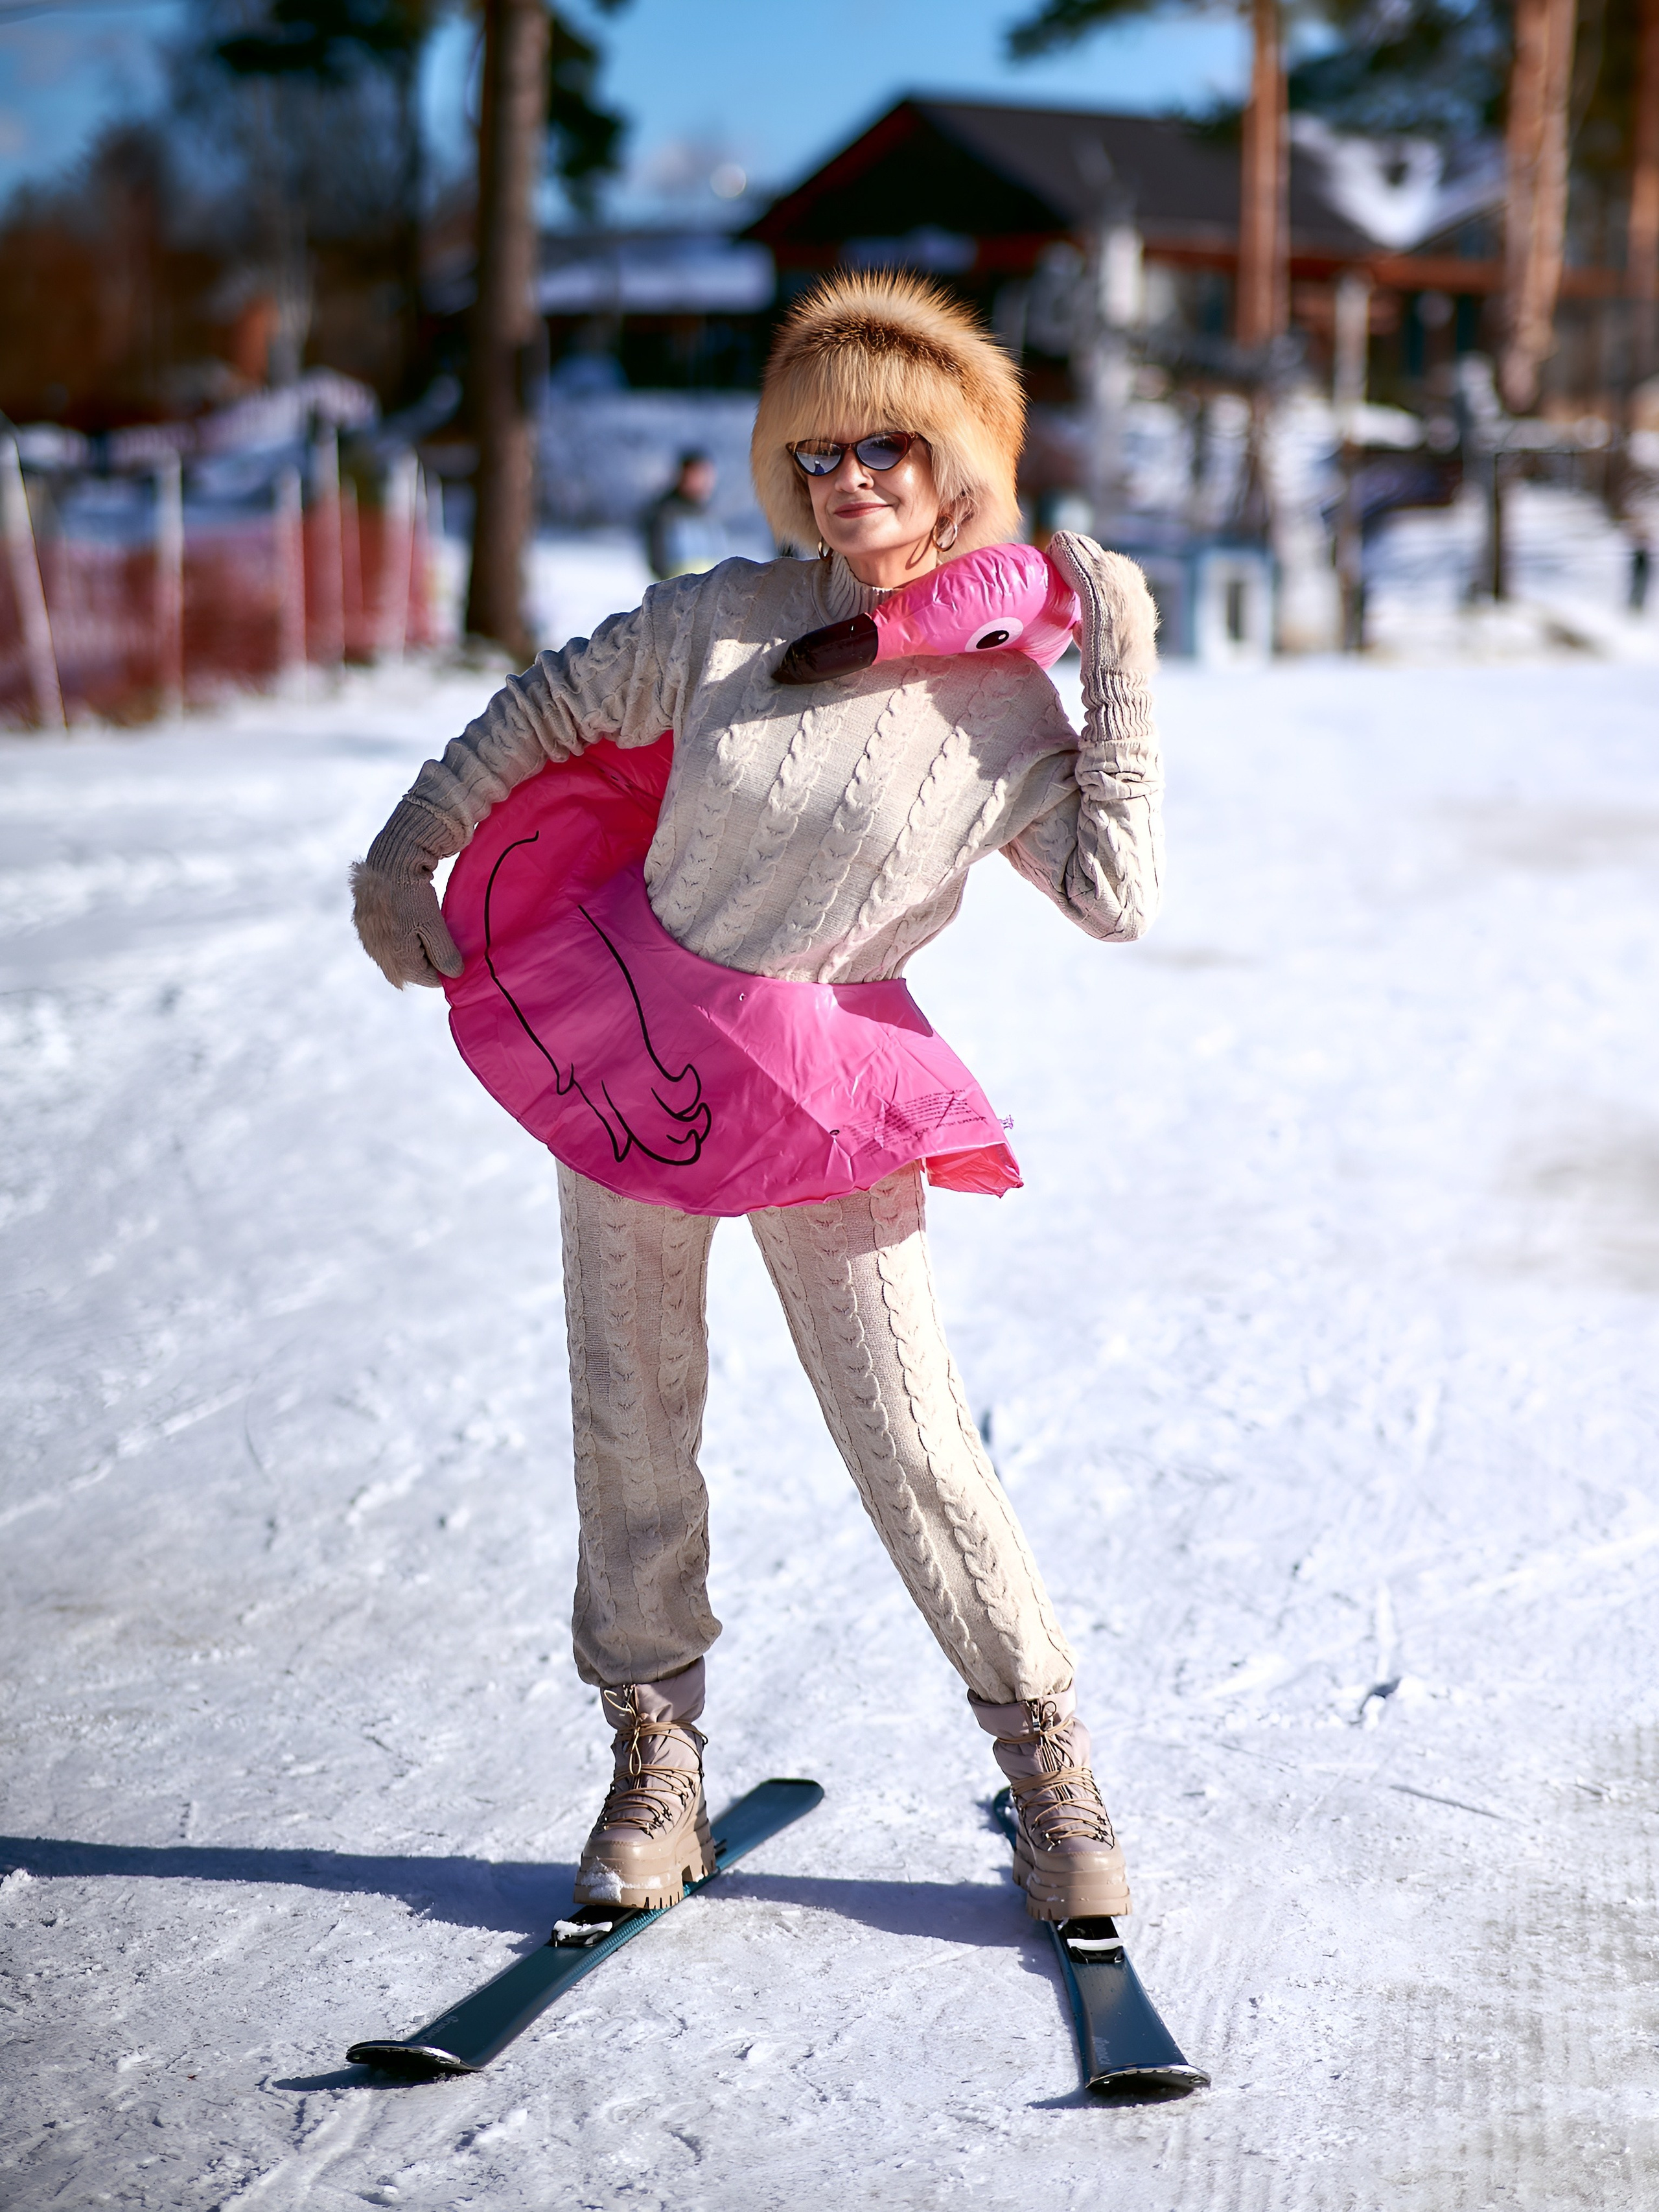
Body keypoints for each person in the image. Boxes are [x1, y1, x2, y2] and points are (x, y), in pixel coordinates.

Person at [351, 272, 1163, 1927]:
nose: (846, 479)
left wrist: (1121, 674)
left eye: (884, 445)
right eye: (814, 453)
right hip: (633, 1050)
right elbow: (542, 711)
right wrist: (405, 847)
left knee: (908, 1428)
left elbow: (1110, 893)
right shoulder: (718, 622)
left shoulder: (1000, 707)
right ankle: (654, 1749)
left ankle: (1042, 1754)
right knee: (630, 1406)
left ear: (955, 468)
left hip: (821, 1078)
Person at [645, 448, 728, 580]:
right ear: (684, 475)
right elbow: (658, 561)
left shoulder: (709, 512)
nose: (704, 480)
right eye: (697, 474)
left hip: (710, 590)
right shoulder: (667, 512)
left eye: (706, 475)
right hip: (679, 589)